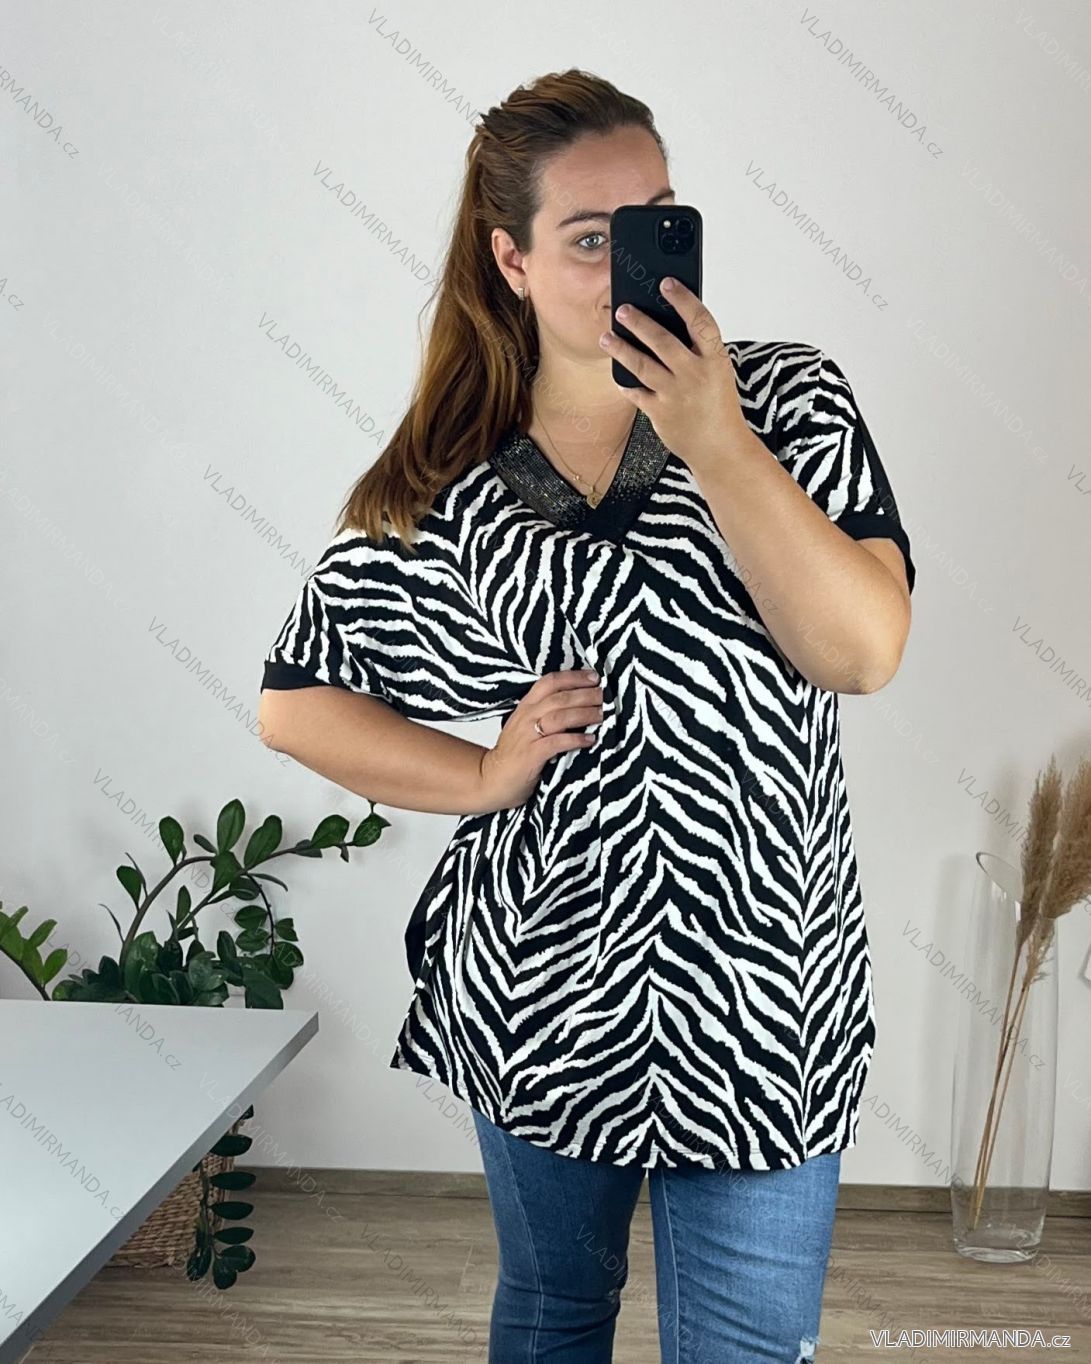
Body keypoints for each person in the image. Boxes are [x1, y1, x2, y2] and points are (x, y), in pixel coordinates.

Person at [257, 67, 914, 1364]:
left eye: (658, 219)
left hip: (767, 1004)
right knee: (556, 1314)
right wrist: (482, 775)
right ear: (509, 260)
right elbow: (297, 703)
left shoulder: (791, 404)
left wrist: (716, 440)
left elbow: (863, 649)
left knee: (748, 1345)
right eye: (591, 237)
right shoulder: (452, 476)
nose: (635, 261)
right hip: (545, 996)